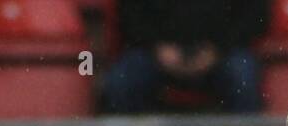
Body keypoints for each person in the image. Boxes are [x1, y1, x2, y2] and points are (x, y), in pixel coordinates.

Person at [102, 0, 268, 114]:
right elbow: (128, 14)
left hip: (222, 54)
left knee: (242, 76)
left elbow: (255, 16)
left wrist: (216, 50)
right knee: (120, 82)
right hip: (154, 54)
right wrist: (157, 48)